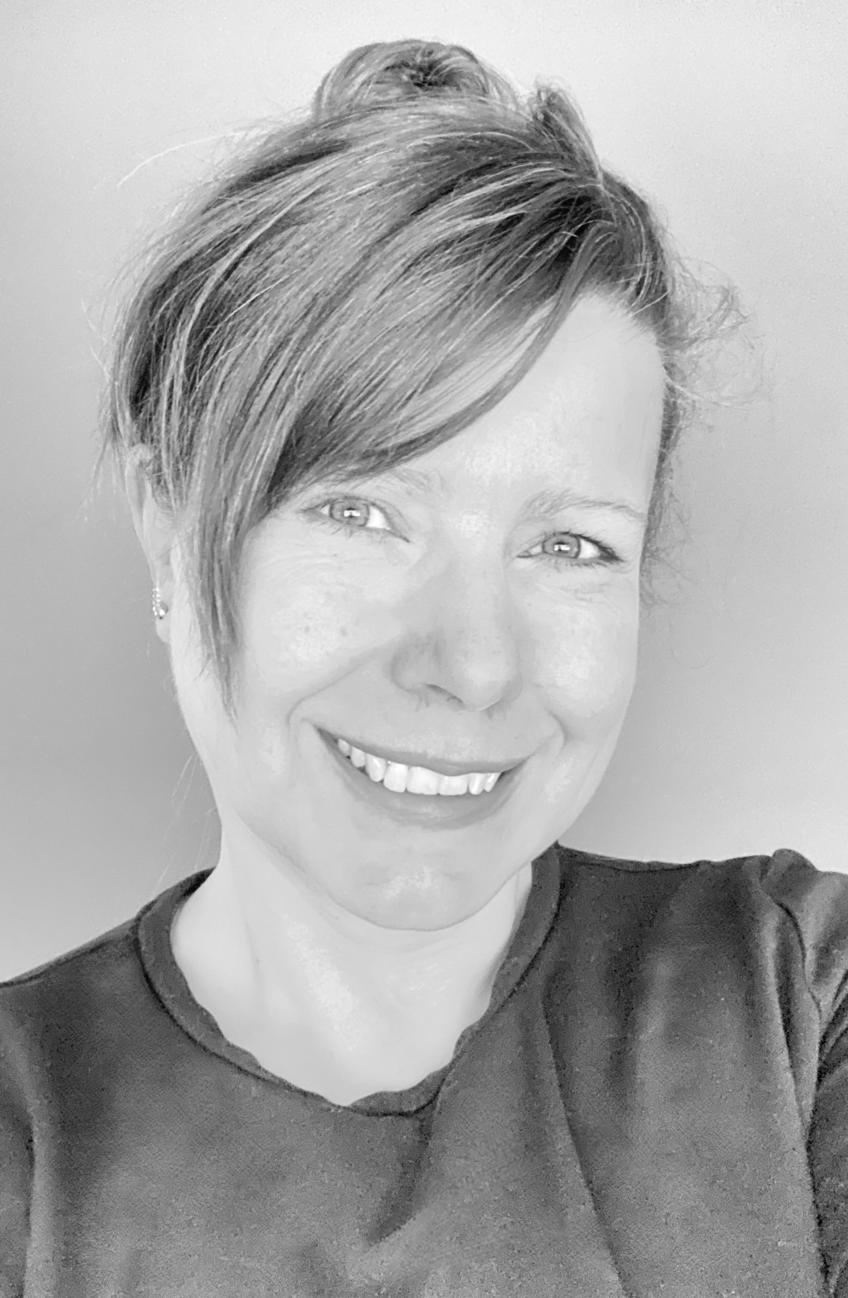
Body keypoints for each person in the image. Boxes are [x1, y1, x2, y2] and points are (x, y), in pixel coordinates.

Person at [0, 36, 844, 1298]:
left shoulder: (795, 1001)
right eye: (360, 512)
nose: (474, 664)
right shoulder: (26, 1138)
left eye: (569, 544)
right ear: (169, 526)